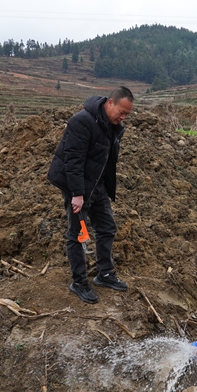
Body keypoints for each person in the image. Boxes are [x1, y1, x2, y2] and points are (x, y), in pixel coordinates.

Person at [47, 87, 134, 304]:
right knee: (78, 233)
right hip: (75, 185)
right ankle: (79, 282)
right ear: (110, 103)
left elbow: (105, 161)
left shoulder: (112, 126)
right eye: (121, 112)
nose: (123, 118)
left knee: (107, 227)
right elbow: (73, 160)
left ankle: (104, 274)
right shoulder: (82, 121)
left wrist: (103, 188)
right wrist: (77, 194)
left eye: (127, 115)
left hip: (96, 186)